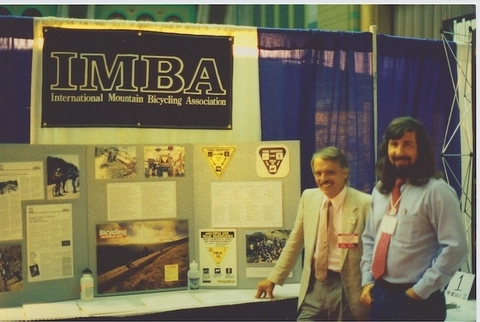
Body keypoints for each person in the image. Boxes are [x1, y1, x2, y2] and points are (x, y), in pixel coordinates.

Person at [360, 116, 469, 321]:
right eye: (394, 145)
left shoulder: (437, 191)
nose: (400, 152)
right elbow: (369, 239)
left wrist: (422, 289)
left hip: (418, 300)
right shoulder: (380, 190)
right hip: (380, 294)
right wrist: (367, 280)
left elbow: (456, 247)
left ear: (421, 149)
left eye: (407, 144)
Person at [255, 146, 371, 320]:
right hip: (315, 286)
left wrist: (370, 284)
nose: (323, 179)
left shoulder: (365, 204)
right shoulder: (309, 198)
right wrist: (273, 278)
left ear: (344, 173)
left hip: (348, 288)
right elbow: (295, 242)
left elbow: (374, 251)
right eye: (318, 173)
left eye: (330, 172)